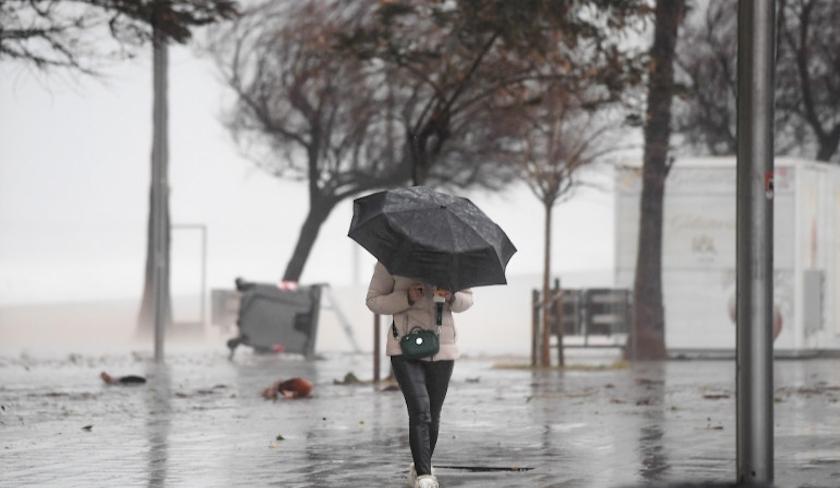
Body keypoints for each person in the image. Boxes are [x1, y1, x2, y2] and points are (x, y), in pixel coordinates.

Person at [366, 261, 473, 488]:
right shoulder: (391, 259)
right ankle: (425, 475)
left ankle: (420, 466)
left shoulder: (452, 259)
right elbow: (373, 301)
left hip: (442, 347)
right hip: (404, 348)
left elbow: (468, 299)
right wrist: (407, 297)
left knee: (432, 413)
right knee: (420, 411)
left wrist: (451, 296)